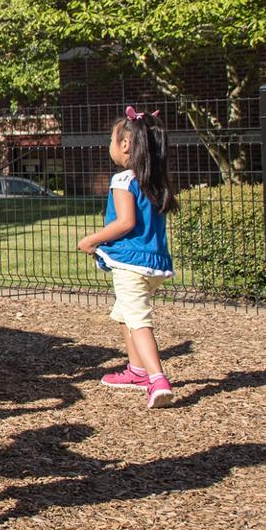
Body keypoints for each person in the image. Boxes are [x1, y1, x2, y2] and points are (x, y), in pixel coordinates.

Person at [78, 107, 178, 409]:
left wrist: (91, 240)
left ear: (124, 145)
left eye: (111, 138)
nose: (110, 144)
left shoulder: (123, 180)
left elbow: (125, 223)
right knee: (125, 312)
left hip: (130, 265)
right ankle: (136, 370)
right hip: (155, 264)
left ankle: (157, 378)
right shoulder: (153, 180)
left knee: (138, 321)